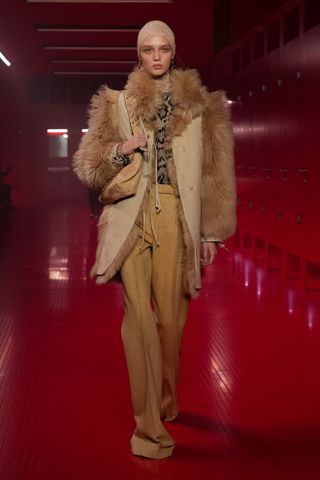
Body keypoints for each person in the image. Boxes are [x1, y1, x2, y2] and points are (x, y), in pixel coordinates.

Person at [73, 20, 237, 460]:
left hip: (176, 218)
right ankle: (148, 431)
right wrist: (119, 150)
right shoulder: (117, 103)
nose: (157, 57)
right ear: (139, 55)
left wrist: (210, 233)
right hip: (131, 214)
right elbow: (88, 166)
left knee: (170, 320)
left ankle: (167, 397)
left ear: (174, 52)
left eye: (164, 49)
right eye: (148, 50)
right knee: (138, 321)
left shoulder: (201, 106)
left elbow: (214, 173)